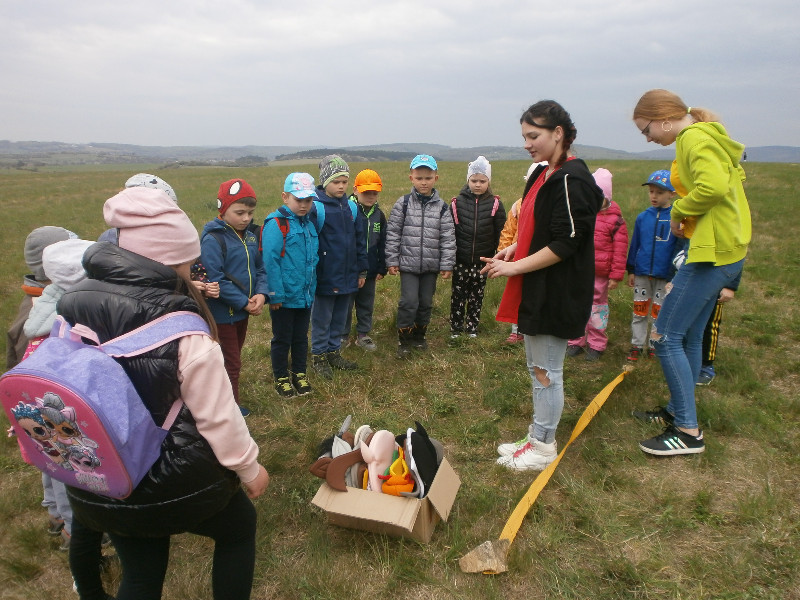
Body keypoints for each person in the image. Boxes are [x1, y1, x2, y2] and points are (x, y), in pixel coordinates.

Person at [59, 186, 270, 600]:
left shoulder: (72, 304)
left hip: (101, 468)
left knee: (141, 573)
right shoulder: (185, 333)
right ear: (171, 260)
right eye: (189, 263)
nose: (194, 271)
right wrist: (249, 469)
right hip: (171, 476)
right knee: (239, 529)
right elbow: (218, 417)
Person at [483, 100, 602, 471]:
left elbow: (567, 242)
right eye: (524, 136)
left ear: (558, 133)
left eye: (534, 136)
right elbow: (539, 226)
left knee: (546, 372)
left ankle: (543, 447)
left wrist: (516, 267)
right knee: (537, 367)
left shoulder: (572, 179)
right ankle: (537, 434)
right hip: (538, 286)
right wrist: (516, 247)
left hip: (557, 290)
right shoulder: (542, 173)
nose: (527, 144)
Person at [631, 89, 751, 456]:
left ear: (664, 119)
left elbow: (712, 187)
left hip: (711, 255)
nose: (647, 138)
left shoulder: (692, 138)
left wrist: (680, 211)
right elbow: (726, 186)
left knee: (665, 336)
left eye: (647, 129)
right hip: (724, 249)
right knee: (690, 336)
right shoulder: (705, 135)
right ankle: (677, 409)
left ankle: (687, 431)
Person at [200, 179, 268, 416]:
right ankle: (231, 409)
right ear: (223, 209)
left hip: (242, 311)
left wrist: (261, 293)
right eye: (239, 213)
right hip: (222, 314)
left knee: (234, 356)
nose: (246, 218)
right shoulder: (213, 239)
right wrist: (243, 302)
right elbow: (215, 278)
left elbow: (260, 267)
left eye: (250, 212)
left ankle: (224, 401)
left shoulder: (250, 236)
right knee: (231, 362)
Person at [385, 154, 456, 357]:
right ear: (411, 178)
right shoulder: (403, 204)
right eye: (419, 178)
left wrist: (447, 264)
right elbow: (393, 233)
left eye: (428, 178)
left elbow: (448, 238)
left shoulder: (442, 207)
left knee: (425, 302)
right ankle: (404, 340)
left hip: (431, 266)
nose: (423, 182)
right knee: (409, 302)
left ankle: (419, 336)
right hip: (408, 264)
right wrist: (392, 260)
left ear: (436, 178)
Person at [309, 155, 368, 378]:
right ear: (325, 181)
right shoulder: (316, 208)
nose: (341, 186)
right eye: (336, 182)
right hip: (325, 275)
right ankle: (318, 355)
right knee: (322, 318)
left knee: (340, 317)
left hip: (348, 275)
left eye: (344, 181)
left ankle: (334, 352)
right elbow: (311, 243)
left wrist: (361, 270)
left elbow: (360, 241)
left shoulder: (352, 207)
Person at [262, 173, 319, 398]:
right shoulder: (277, 224)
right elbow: (271, 261)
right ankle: (281, 377)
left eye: (308, 200)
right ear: (285, 197)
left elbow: (312, 259)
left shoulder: (309, 224)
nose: (304, 205)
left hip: (304, 295)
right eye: (298, 200)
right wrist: (274, 294)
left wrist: (311, 290)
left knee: (301, 337)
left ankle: (299, 373)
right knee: (282, 338)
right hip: (284, 297)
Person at [567, 168, 628, 361]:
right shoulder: (582, 216)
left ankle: (596, 343)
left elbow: (620, 250)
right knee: (577, 304)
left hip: (600, 273)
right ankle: (575, 340)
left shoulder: (615, 220)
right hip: (580, 270)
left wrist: (615, 275)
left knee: (597, 308)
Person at [624, 170, 682, 362]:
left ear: (672, 194)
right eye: (651, 191)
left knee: (660, 312)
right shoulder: (643, 217)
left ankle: (654, 345)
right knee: (639, 310)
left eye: (659, 192)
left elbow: (679, 248)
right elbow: (635, 244)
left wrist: (674, 274)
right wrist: (631, 269)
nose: (654, 196)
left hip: (665, 275)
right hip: (642, 273)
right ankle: (636, 344)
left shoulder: (676, 218)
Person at [449, 156, 506, 339]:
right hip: (461, 259)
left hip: (483, 260)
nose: (478, 185)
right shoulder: (457, 203)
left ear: (489, 182)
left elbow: (501, 231)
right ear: (468, 180)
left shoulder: (495, 204)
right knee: (458, 295)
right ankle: (456, 327)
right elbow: (451, 231)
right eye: (474, 180)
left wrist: (498, 255)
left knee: (476, 295)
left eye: (482, 181)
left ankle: (472, 327)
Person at [497, 162, 546, 343]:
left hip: (541, 259)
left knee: (537, 293)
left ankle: (534, 327)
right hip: (518, 257)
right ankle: (516, 329)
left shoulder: (550, 206)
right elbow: (509, 230)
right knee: (517, 293)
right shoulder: (518, 205)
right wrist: (504, 251)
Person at [343, 169, 387, 351]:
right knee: (346, 304)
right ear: (355, 190)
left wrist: (382, 266)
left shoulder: (379, 215)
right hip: (349, 270)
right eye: (366, 192)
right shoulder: (347, 211)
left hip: (370, 269)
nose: (370, 196)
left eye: (374, 193)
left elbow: (383, 242)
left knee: (366, 303)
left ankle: (363, 334)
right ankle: (342, 335)